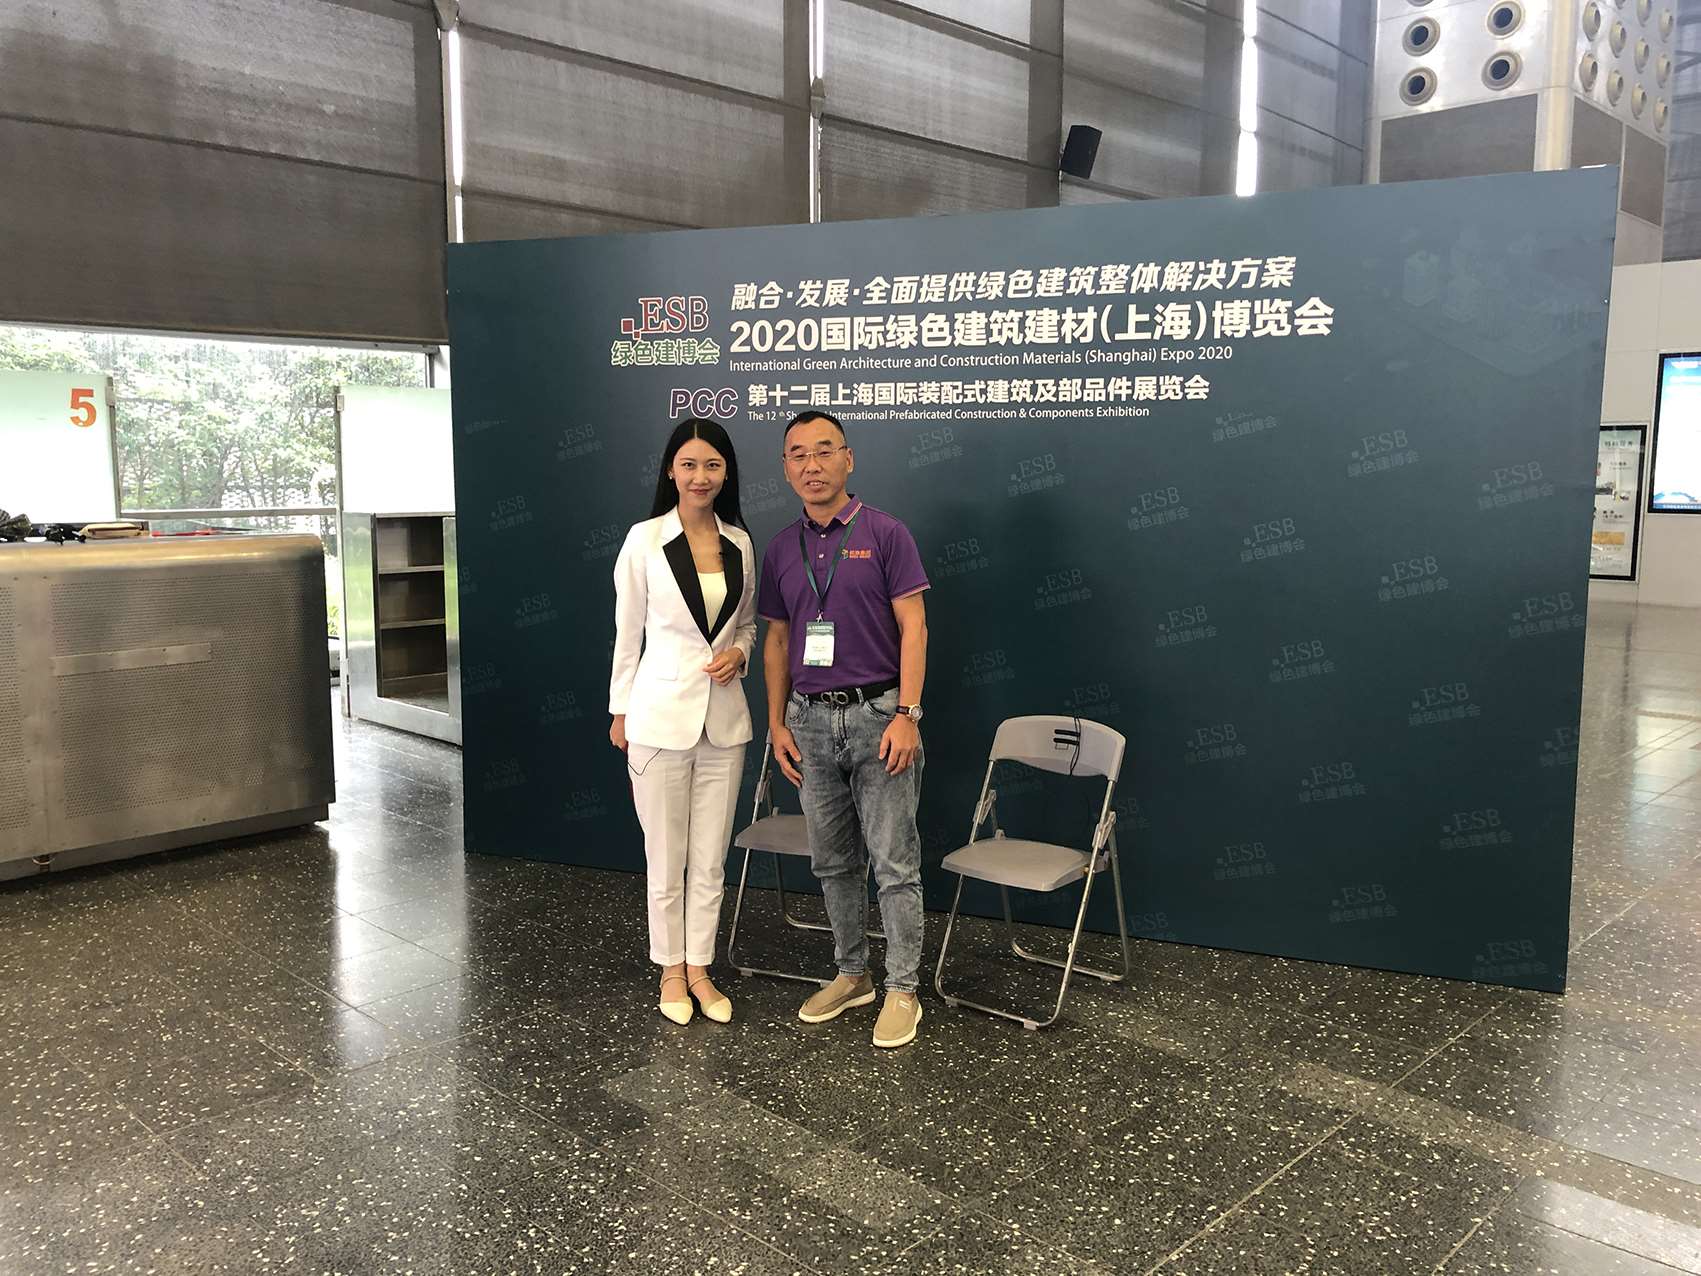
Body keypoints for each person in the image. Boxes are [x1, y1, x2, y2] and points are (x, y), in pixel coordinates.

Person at [757, 410, 930, 1048]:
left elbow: (915, 627)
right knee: (832, 861)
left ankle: (903, 989)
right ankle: (852, 974)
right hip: (807, 720)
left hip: (879, 717)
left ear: (848, 458)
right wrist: (776, 722)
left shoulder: (886, 533)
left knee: (893, 862)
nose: (813, 465)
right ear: (786, 468)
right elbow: (778, 641)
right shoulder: (782, 547)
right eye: (798, 454)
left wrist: (908, 714)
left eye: (824, 451)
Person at [610, 417, 757, 1026]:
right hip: (658, 719)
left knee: (711, 858)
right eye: (690, 465)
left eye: (713, 465)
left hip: (724, 723)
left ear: (726, 473)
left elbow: (747, 624)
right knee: (666, 857)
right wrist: (620, 710)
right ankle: (671, 969)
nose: (701, 477)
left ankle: (701, 967)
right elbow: (627, 634)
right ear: (671, 471)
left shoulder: (740, 542)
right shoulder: (644, 540)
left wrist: (740, 653)